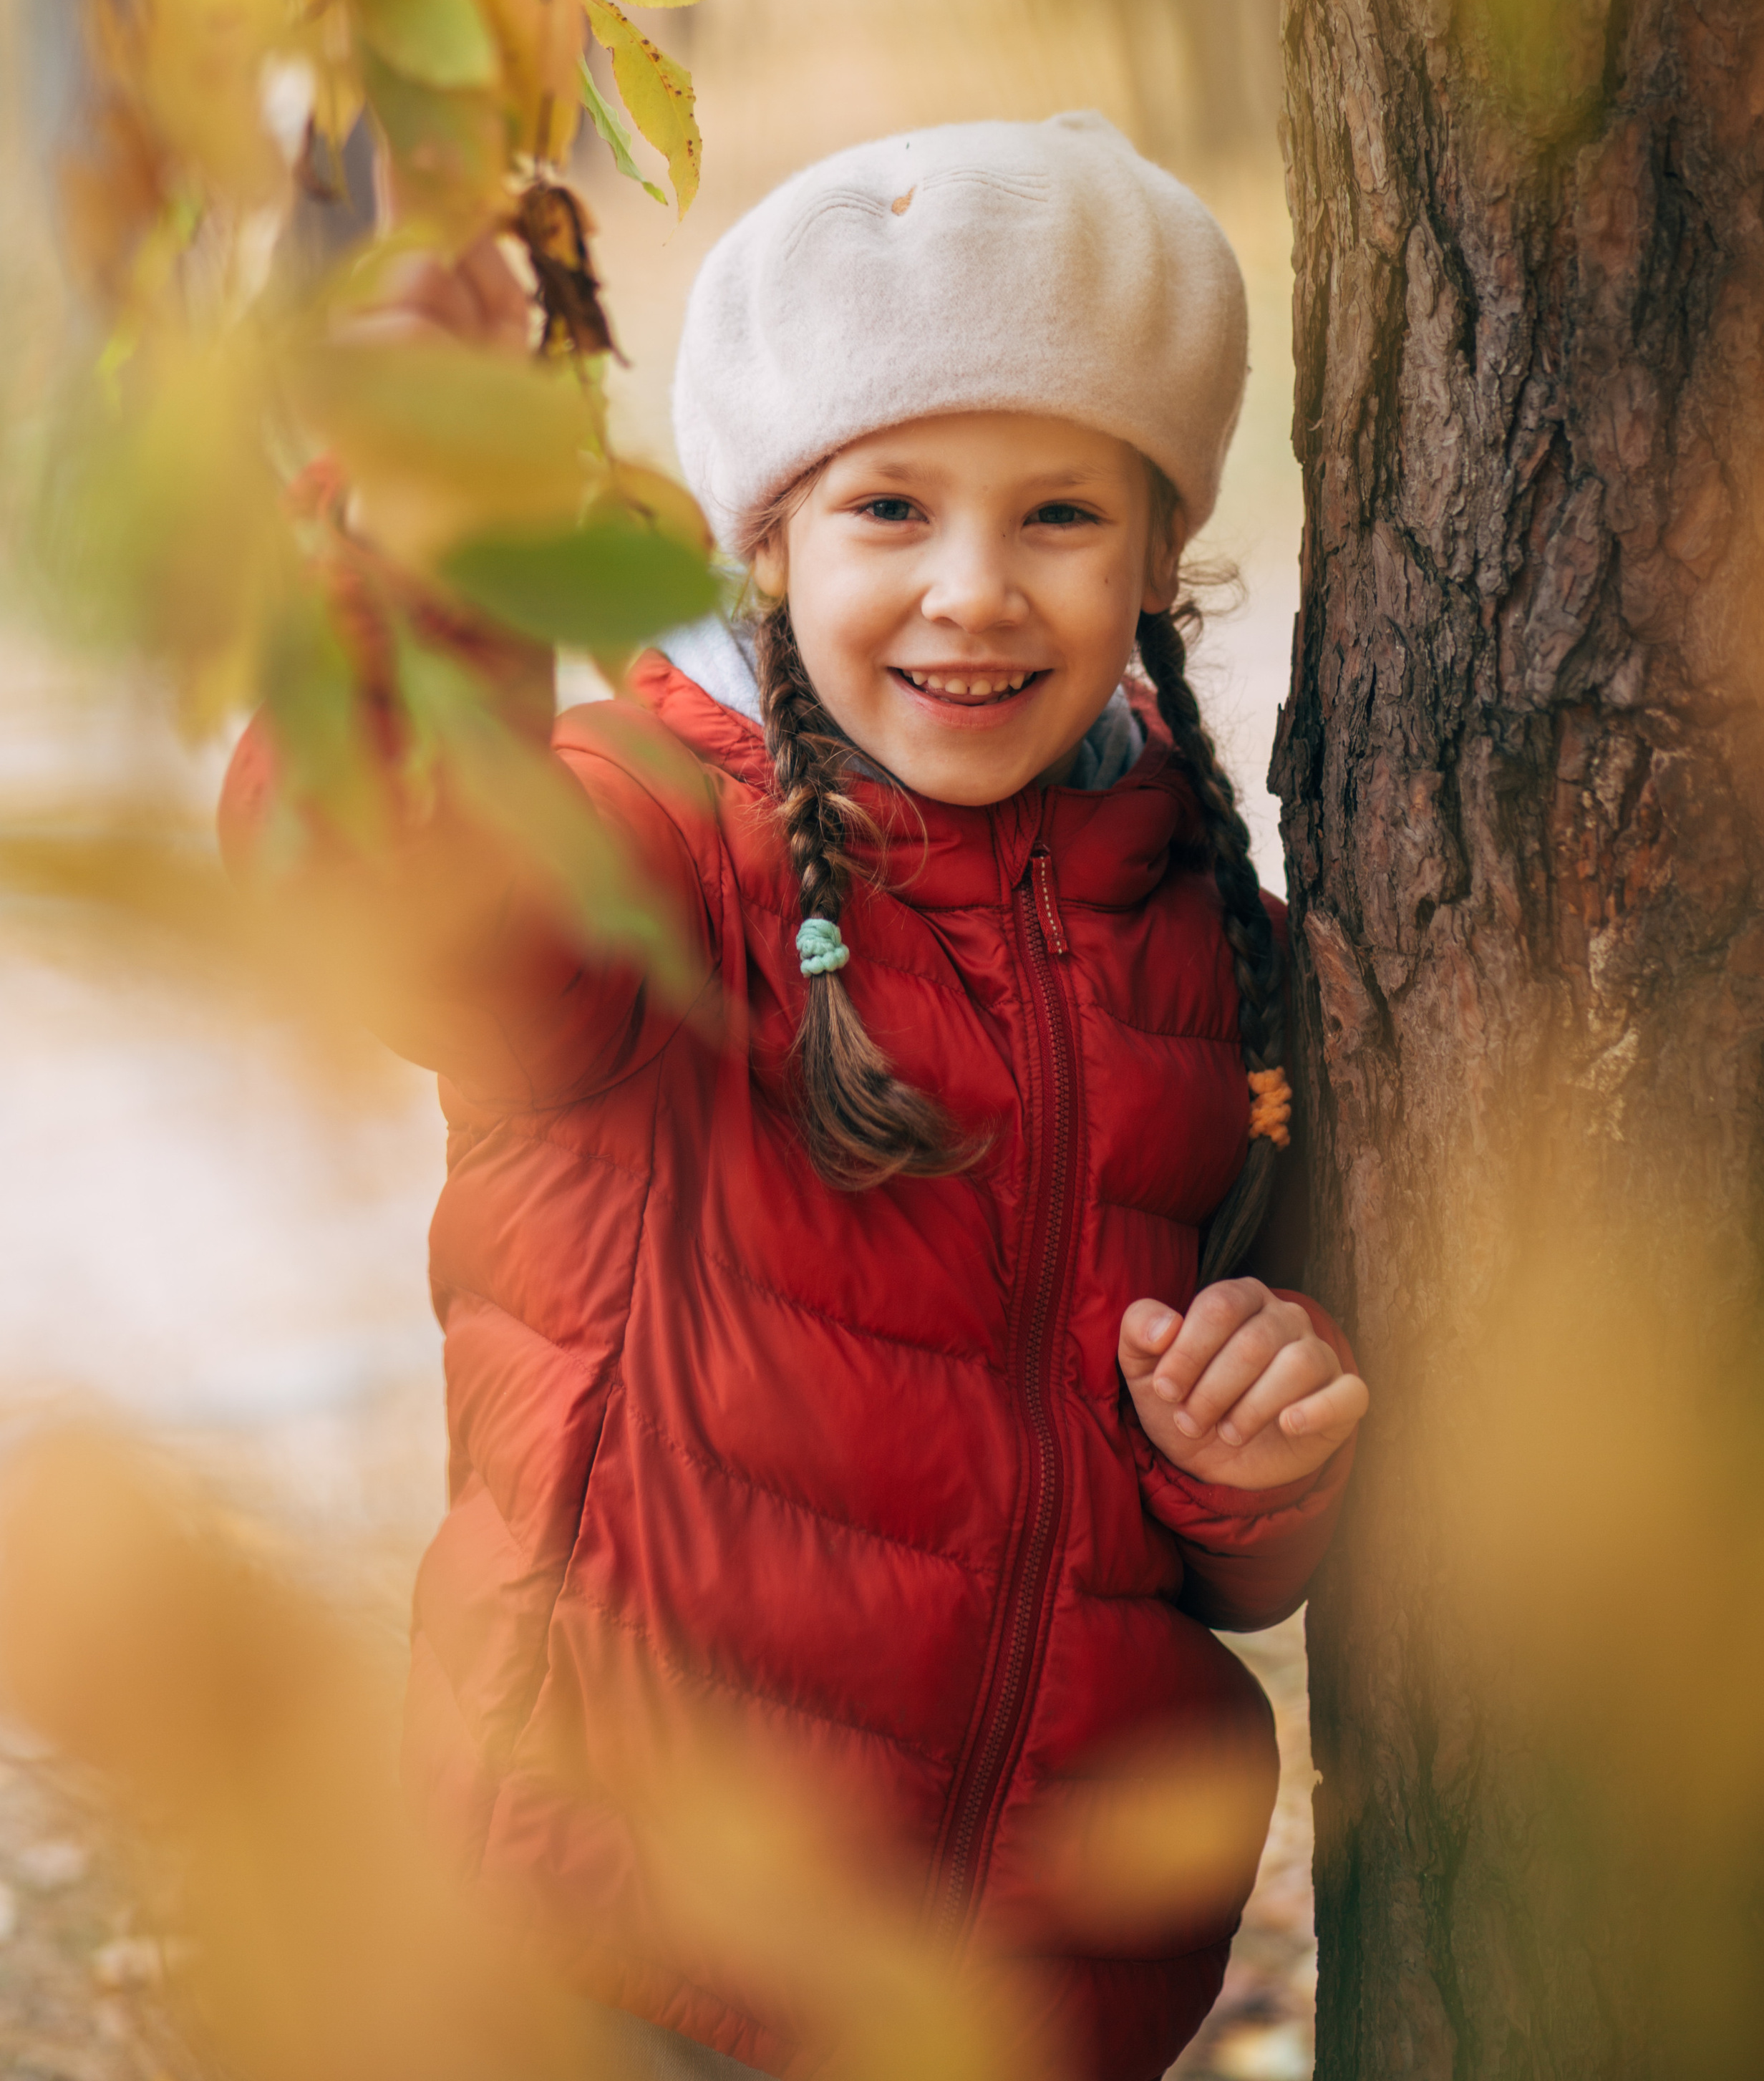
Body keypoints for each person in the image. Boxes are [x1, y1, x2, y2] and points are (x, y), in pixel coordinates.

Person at [221, 110, 1366, 2081]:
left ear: (1162, 551)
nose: (974, 592)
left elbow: (1230, 1559)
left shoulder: (1215, 950)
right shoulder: (663, 843)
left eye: (1060, 516)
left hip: (1023, 1999)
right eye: (891, 510)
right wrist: (414, 554)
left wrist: (1246, 1459)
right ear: (769, 542)